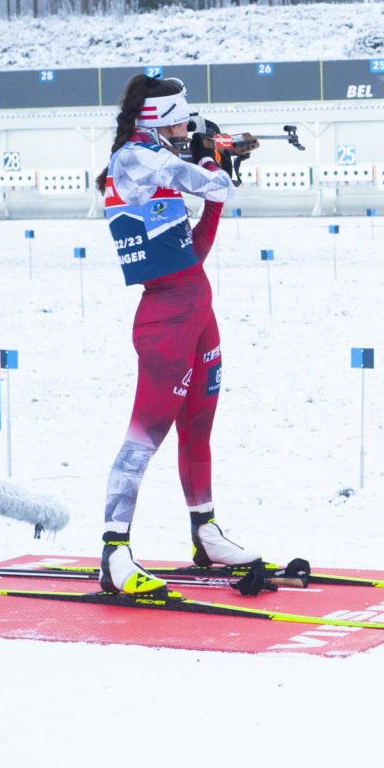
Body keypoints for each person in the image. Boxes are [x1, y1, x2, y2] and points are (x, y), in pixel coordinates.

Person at [94, 75, 260, 594]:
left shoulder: (163, 173)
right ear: (159, 119)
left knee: (198, 426)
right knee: (144, 437)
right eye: (184, 118)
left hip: (195, 304)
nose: (190, 126)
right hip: (165, 318)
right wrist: (213, 161)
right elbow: (211, 180)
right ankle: (114, 552)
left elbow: (191, 257)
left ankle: (205, 533)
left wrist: (214, 187)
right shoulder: (133, 161)